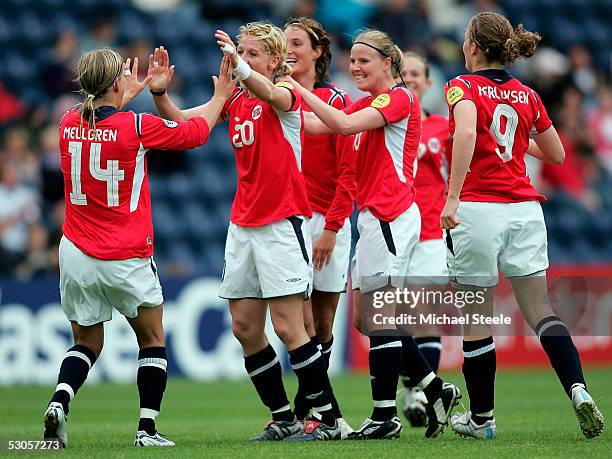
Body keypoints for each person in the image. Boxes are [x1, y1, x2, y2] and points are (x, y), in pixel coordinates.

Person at [149, 23, 342, 441]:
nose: (243, 59)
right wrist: (161, 93)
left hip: (282, 222)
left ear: (274, 61)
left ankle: (327, 420)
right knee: (244, 328)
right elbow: (187, 126)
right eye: (241, 52)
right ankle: (283, 417)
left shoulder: (287, 92)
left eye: (253, 54)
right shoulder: (235, 97)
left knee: (291, 328)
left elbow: (271, 94)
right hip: (243, 225)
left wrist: (238, 65)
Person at [43, 48, 235, 448]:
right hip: (125, 253)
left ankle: (60, 401)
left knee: (86, 343)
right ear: (117, 83)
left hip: (75, 251)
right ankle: (146, 429)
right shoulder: (137, 126)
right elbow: (196, 133)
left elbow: (100, 121)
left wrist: (121, 96)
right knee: (151, 338)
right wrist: (221, 96)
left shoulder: (65, 122)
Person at [282, 29, 461, 440]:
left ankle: (384, 417)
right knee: (367, 319)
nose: (355, 67)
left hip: (391, 216)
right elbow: (313, 126)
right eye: (353, 60)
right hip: (373, 221)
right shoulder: (369, 103)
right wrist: (273, 95)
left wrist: (292, 86)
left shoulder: (399, 98)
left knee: (380, 317)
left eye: (364, 60)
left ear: (388, 63)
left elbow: (341, 124)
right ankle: (437, 390)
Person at [441, 12, 605, 440]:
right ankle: (578, 389)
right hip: (524, 210)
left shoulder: (461, 86)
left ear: (473, 46)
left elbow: (463, 135)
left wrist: (453, 195)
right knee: (541, 311)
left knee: (477, 317)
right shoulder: (526, 93)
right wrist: (510, 141)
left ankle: (481, 421)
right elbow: (556, 154)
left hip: (478, 209)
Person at [282, 16, 355, 438]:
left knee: (323, 326)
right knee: (303, 321)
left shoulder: (336, 102)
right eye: (285, 42)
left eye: (297, 42)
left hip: (330, 221)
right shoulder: (277, 99)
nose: (289, 49)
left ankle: (306, 412)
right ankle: (330, 416)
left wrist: (332, 227)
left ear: (317, 53)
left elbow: (349, 173)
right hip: (291, 220)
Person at [397, 51, 449, 428]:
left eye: (417, 73)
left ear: (428, 83)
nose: (410, 78)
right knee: (386, 317)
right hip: (392, 230)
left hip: (431, 231)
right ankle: (410, 383)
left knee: (424, 314)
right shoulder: (380, 122)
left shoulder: (444, 128)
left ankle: (419, 393)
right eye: (404, 73)